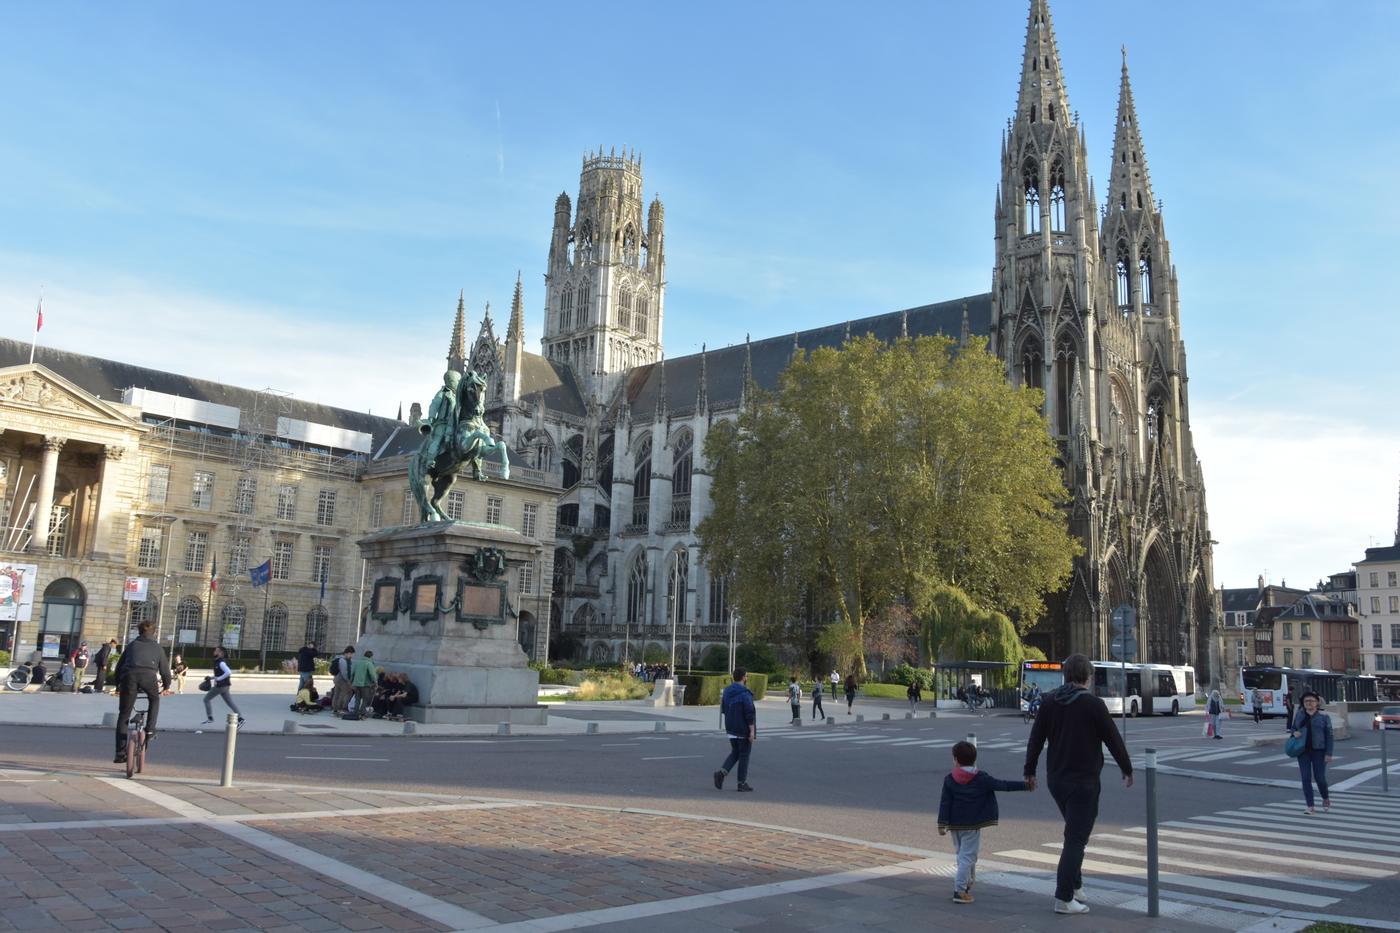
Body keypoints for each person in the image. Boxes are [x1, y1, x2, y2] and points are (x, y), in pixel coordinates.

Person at [1023, 653, 1133, 916]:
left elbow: (1035, 739)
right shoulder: (1093, 704)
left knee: (1074, 832)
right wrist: (1126, 768)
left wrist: (1030, 770)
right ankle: (1063, 898)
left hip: (1056, 779)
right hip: (1083, 781)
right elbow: (1113, 739)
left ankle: (1076, 885)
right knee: (1076, 839)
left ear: (1066, 674)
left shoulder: (1051, 701)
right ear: (1087, 677)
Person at [939, 740, 1030, 904]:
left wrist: (942, 823)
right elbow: (1003, 785)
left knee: (961, 855)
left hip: (954, 825)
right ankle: (959, 891)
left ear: (956, 760)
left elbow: (945, 802)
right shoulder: (981, 777)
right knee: (968, 857)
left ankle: (965, 884)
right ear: (975, 759)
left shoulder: (950, 778)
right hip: (972, 824)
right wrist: (1025, 786)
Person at [113, 620, 172, 763]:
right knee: (154, 699)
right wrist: (166, 686)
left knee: (124, 715)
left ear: (139, 632)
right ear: (154, 633)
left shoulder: (131, 646)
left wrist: (118, 685)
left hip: (129, 677)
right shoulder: (158, 648)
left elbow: (119, 668)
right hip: (148, 677)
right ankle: (150, 730)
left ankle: (120, 753)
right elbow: (165, 671)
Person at [1291, 690, 1334, 814]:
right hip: (1303, 751)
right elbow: (1293, 728)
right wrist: (1294, 733)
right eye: (1306, 701)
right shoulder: (1299, 715)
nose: (1309, 703)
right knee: (1305, 778)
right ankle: (1310, 806)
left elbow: (1329, 736)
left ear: (1317, 703)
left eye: (1312, 701)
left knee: (1320, 778)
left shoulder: (1324, 717)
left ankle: (1325, 798)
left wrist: (1329, 753)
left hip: (1319, 751)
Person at [713, 668, 756, 792]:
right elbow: (749, 713)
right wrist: (752, 731)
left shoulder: (727, 691)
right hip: (743, 729)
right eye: (746, 676)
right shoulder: (745, 693)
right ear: (743, 677)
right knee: (744, 756)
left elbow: (724, 709)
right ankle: (741, 783)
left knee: (735, 752)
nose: (747, 678)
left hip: (731, 728)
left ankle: (721, 773)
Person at [202, 646, 245, 727]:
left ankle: (210, 718)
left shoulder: (221, 662)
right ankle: (240, 719)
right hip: (225, 686)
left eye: (216, 650)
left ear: (221, 653)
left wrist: (218, 679)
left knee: (206, 699)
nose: (214, 651)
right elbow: (220, 674)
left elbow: (228, 672)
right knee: (230, 703)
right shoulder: (218, 662)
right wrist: (211, 677)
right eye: (215, 650)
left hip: (221, 686)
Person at [351, 648, 378, 719]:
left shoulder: (358, 662)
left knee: (357, 699)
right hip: (365, 684)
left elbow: (352, 673)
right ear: (371, 656)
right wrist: (375, 682)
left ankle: (355, 712)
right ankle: (362, 713)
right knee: (365, 699)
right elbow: (372, 674)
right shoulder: (369, 663)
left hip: (356, 684)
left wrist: (351, 682)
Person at [330, 646, 355, 715]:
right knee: (346, 693)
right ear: (348, 653)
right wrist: (348, 680)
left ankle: (335, 708)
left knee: (337, 693)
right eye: (351, 654)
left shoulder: (338, 658)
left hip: (337, 678)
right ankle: (340, 708)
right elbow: (344, 672)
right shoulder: (343, 660)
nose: (351, 656)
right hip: (342, 679)